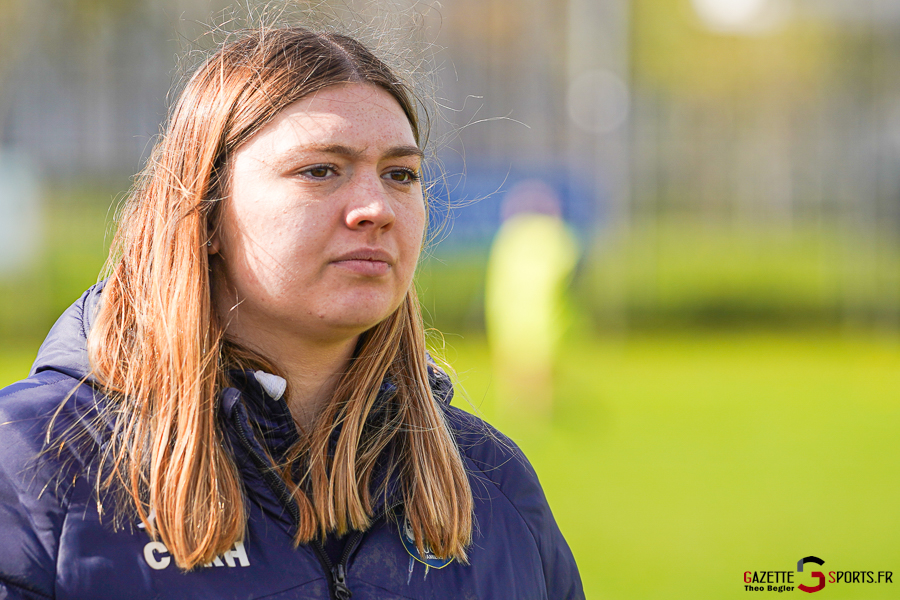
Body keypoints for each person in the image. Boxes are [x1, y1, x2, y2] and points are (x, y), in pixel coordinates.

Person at [0, 26, 583, 599]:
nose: (376, 207)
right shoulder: (33, 467)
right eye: (320, 170)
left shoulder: (494, 484)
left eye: (400, 174)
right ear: (205, 212)